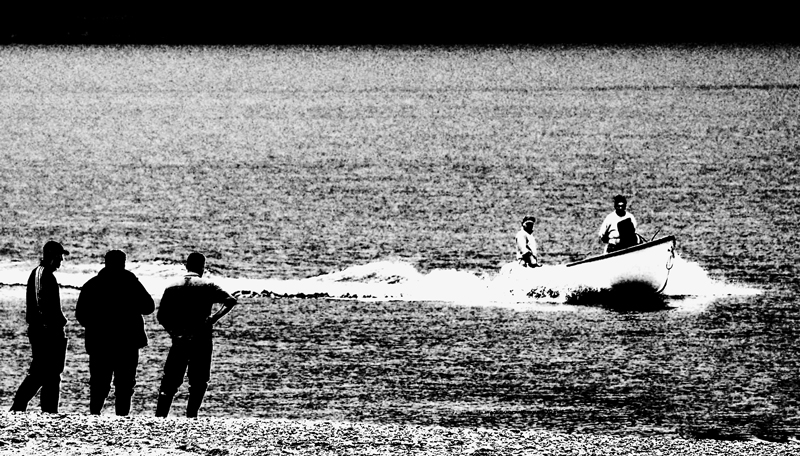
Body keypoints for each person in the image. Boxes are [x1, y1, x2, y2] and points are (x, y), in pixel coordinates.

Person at [155, 252, 238, 418]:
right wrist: (213, 318)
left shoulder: (172, 286)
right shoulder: (207, 285)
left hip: (179, 338)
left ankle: (161, 415)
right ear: (202, 267)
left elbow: (161, 316)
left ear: (187, 265)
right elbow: (230, 300)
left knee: (170, 379)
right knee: (199, 380)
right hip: (201, 337)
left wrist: (173, 332)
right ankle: (191, 415)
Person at [75, 249, 155, 416]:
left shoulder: (92, 284)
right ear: (123, 264)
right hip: (127, 342)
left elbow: (81, 314)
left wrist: (95, 327)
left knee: (99, 383)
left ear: (106, 263)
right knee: (125, 384)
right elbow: (148, 306)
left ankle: (94, 414)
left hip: (99, 342)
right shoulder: (130, 282)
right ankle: (122, 417)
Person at [9, 241, 70, 413]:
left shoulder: (46, 275)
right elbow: (38, 302)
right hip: (45, 332)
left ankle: (49, 411)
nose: (61, 260)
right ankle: (19, 405)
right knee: (40, 372)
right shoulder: (41, 274)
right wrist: (47, 326)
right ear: (53, 256)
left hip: (50, 330)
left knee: (52, 373)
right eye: (59, 256)